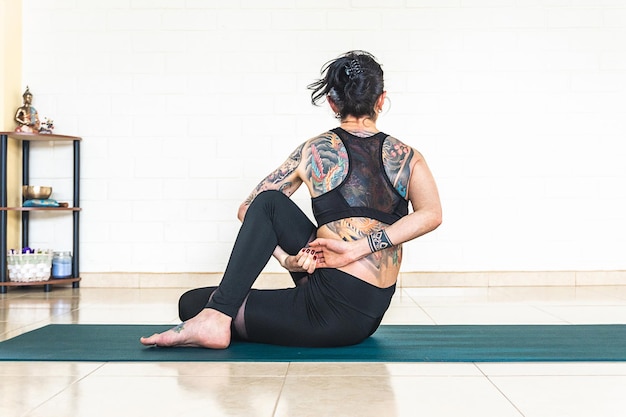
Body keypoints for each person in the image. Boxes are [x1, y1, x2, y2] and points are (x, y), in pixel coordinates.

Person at [140, 50, 442, 349]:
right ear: (381, 100)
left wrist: (351, 251)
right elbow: (431, 213)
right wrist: (291, 261)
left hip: (328, 315)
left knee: (191, 302)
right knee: (270, 207)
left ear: (332, 102)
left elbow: (249, 207)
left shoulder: (314, 150)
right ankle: (218, 313)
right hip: (370, 310)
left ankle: (217, 317)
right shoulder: (408, 157)